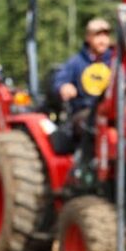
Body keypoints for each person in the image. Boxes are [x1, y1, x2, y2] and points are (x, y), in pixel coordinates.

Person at [49, 17, 114, 155]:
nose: (103, 40)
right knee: (92, 122)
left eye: (105, 35)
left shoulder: (116, 61)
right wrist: (64, 86)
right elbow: (59, 81)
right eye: (98, 35)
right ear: (88, 37)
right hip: (84, 111)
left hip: (113, 110)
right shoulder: (76, 62)